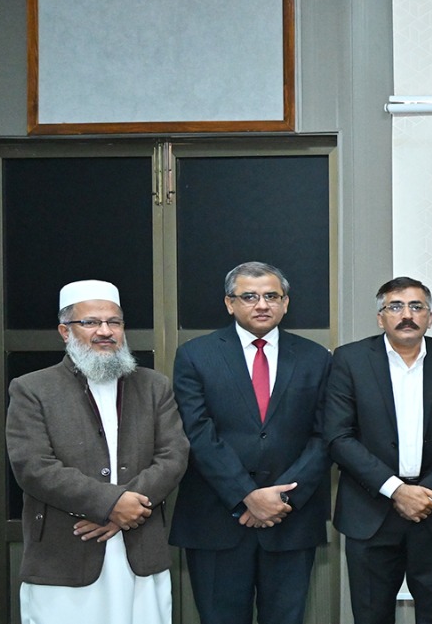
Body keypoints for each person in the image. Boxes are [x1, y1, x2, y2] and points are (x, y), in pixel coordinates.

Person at [6, 280, 189, 624]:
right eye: (90, 322)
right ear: (65, 331)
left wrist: (127, 507)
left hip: (140, 546)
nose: (105, 331)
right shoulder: (33, 389)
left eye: (114, 322)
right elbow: (33, 467)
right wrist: (110, 504)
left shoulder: (154, 386)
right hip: (65, 553)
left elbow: (174, 455)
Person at [170, 262, 333, 624]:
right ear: (230, 303)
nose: (262, 304)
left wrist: (281, 499)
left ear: (285, 303)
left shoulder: (316, 358)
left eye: (271, 296)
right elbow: (197, 432)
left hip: (290, 521)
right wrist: (247, 494)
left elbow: (326, 435)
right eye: (249, 297)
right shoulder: (195, 355)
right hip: (216, 520)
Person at [323, 277, 432, 624]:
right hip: (370, 512)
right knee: (371, 616)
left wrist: (427, 493)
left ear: (429, 317)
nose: (406, 315)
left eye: (416, 306)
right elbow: (337, 436)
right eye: (395, 306)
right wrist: (397, 490)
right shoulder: (349, 359)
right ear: (380, 317)